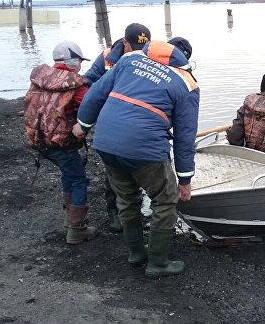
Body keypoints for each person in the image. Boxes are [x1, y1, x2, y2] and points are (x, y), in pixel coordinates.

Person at [73, 37, 199, 278]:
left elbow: (96, 93)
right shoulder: (187, 84)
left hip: (107, 142)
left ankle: (136, 253)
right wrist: (185, 180)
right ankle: (158, 263)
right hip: (144, 147)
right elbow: (185, 137)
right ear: (185, 61)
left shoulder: (131, 59)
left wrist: (83, 124)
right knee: (165, 199)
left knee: (127, 197)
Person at [24, 40, 98, 245]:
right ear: (73, 62)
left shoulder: (40, 78)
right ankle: (77, 229)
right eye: (80, 61)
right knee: (78, 180)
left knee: (69, 174)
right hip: (61, 142)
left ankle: (70, 219)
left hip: (39, 141)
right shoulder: (77, 85)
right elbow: (90, 108)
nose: (81, 66)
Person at [82, 23, 151, 233]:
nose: (140, 52)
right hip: (109, 118)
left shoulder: (149, 56)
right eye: (135, 47)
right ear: (124, 42)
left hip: (135, 120)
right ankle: (114, 213)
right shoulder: (106, 58)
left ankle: (134, 212)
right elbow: (87, 83)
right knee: (112, 170)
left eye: (144, 47)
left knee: (137, 167)